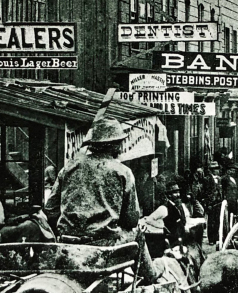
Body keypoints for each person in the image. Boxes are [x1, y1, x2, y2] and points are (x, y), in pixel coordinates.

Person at [45, 116, 156, 281]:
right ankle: (150, 278)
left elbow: (50, 209)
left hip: (68, 244)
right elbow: (131, 220)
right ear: (115, 145)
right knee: (137, 232)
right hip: (103, 246)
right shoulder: (122, 172)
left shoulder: (68, 168)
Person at [204, 160, 223, 244]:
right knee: (211, 221)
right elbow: (205, 192)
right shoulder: (207, 179)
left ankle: (216, 237)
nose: (217, 170)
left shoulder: (219, 179)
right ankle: (211, 239)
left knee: (217, 220)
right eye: (215, 169)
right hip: (211, 203)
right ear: (212, 170)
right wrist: (208, 203)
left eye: (217, 169)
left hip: (218, 202)